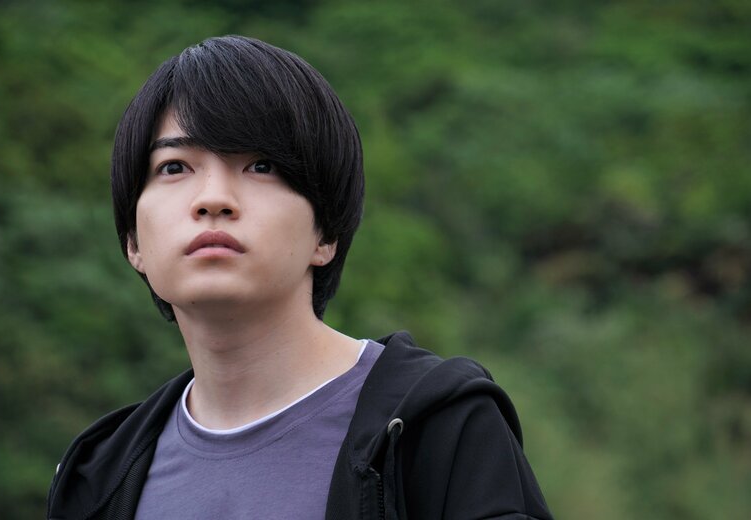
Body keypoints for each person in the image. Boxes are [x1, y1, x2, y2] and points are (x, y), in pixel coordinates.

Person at [46, 35, 553, 520]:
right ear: (133, 242)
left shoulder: (438, 427)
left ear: (325, 234)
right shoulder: (97, 475)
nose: (213, 198)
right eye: (174, 167)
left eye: (261, 165)